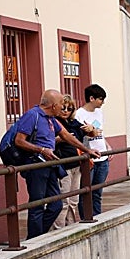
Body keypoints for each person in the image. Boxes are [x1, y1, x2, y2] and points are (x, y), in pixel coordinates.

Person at [11, 90, 97, 238]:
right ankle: (34, 239)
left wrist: (87, 150)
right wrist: (41, 150)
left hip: (50, 164)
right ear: (53, 105)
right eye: (61, 104)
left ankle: (40, 235)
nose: (63, 108)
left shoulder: (51, 119)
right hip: (36, 165)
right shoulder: (33, 115)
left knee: (56, 204)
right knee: (37, 204)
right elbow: (19, 141)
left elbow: (66, 136)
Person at [72, 84, 110, 216]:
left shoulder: (99, 112)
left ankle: (98, 216)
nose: (102, 102)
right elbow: (77, 137)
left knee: (97, 192)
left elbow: (101, 132)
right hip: (88, 158)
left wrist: (107, 145)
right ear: (91, 98)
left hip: (103, 157)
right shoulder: (79, 114)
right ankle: (87, 218)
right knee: (86, 192)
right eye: (100, 99)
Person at [54, 95, 92, 227]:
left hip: (77, 164)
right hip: (63, 166)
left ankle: (70, 224)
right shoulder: (54, 122)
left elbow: (92, 133)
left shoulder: (74, 123)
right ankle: (59, 228)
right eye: (63, 108)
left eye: (69, 109)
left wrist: (91, 129)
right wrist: (59, 139)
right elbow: (47, 141)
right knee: (63, 200)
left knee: (74, 200)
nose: (65, 111)